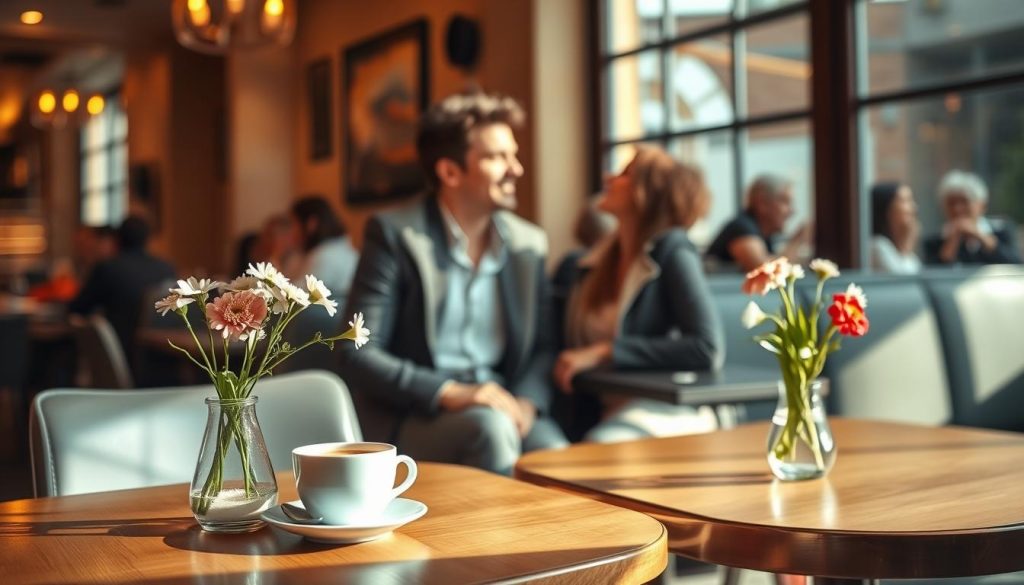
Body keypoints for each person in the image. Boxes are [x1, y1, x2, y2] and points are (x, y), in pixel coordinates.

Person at [338, 92, 568, 475]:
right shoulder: (394, 235)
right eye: (497, 157)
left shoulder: (530, 245)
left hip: (505, 404)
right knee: (490, 432)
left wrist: (528, 403)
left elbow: (544, 347)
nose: (517, 169)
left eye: (513, 154)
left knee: (556, 457)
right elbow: (357, 351)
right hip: (416, 412)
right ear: (450, 172)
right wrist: (451, 393)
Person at [552, 146, 725, 442]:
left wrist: (605, 351)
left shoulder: (673, 251)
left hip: (665, 408)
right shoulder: (590, 263)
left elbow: (707, 348)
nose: (609, 177)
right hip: (598, 408)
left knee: (599, 448)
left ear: (648, 192)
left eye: (624, 174)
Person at [69, 216, 176, 359]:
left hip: (117, 353)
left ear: (117, 239)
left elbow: (79, 307)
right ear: (147, 239)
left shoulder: (108, 268)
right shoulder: (166, 269)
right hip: (163, 355)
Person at [705, 174, 812, 272]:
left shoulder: (763, 235)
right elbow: (763, 269)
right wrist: (798, 239)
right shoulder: (741, 228)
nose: (792, 211)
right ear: (762, 203)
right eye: (785, 201)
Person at [924, 170, 1021, 266]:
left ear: (982, 205)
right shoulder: (935, 241)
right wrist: (952, 241)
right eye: (951, 203)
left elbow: (1016, 265)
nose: (957, 209)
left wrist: (981, 237)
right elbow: (932, 274)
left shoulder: (1002, 232)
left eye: (964, 201)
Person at [289, 196, 359, 302]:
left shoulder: (325, 257)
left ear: (311, 223)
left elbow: (295, 297)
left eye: (293, 224)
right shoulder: (342, 249)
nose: (291, 232)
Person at [869, 182, 922, 274]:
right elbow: (902, 281)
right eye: (905, 201)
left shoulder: (896, 247)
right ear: (887, 208)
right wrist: (907, 242)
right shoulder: (877, 246)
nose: (913, 207)